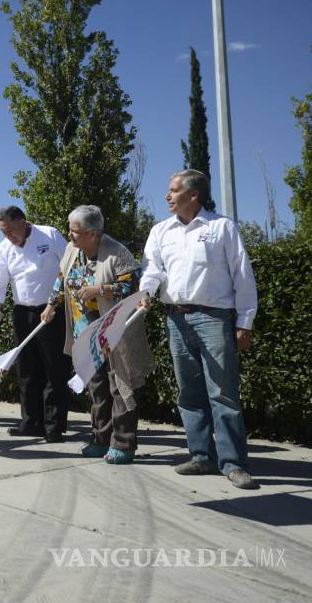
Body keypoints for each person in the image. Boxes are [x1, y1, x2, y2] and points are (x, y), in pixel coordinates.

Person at [140, 169, 259, 489]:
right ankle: (201, 456)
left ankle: (233, 463)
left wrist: (244, 322)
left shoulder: (222, 227)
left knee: (223, 393)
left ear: (194, 195)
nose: (167, 195)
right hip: (175, 319)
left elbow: (243, 277)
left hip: (215, 318)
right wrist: (145, 294)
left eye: (174, 190)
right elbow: (153, 270)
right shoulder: (160, 231)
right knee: (189, 393)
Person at [41, 206, 154, 464]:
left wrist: (100, 289)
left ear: (92, 234)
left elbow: (132, 286)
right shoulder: (72, 251)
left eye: (75, 231)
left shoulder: (117, 253)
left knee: (119, 387)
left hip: (114, 334)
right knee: (97, 389)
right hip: (85, 333)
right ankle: (100, 438)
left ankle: (123, 443)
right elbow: (62, 278)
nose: (70, 235)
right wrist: (51, 305)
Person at [0, 206, 69, 442]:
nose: (8, 236)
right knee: (27, 370)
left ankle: (53, 427)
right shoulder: (4, 249)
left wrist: (53, 304)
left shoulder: (49, 235)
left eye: (11, 230)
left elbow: (69, 269)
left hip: (53, 310)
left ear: (23, 222)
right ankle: (31, 423)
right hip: (22, 313)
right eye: (3, 232)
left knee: (54, 369)